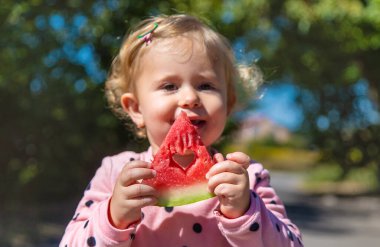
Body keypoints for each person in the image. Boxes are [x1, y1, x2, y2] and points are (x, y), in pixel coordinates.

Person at [60, 14, 303, 247]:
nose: (189, 98)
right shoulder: (114, 174)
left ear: (228, 105)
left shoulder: (248, 178)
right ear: (135, 108)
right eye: (169, 86)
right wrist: (113, 217)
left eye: (206, 85)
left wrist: (247, 210)